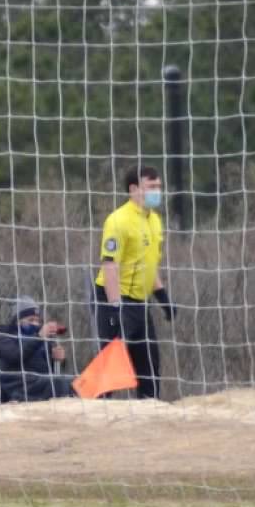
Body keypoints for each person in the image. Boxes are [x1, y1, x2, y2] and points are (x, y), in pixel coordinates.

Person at [94, 165, 175, 400]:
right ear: (133, 189)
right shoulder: (118, 220)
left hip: (140, 301)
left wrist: (163, 297)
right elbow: (110, 265)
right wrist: (115, 306)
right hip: (115, 298)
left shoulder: (155, 220)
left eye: (158, 186)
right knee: (112, 361)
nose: (157, 191)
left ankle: (149, 407)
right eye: (151, 187)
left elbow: (148, 264)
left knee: (149, 361)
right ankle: (92, 406)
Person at [0, 296, 76, 402]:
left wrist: (60, 360)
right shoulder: (2, 337)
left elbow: (49, 368)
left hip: (41, 383)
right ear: (17, 320)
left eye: (37, 320)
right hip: (19, 385)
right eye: (30, 320)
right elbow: (16, 356)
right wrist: (39, 337)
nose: (35, 324)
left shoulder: (42, 339)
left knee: (75, 382)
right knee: (60, 384)